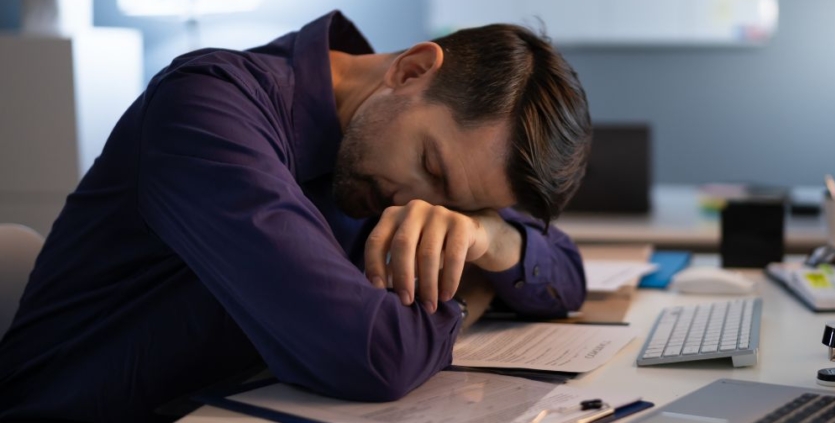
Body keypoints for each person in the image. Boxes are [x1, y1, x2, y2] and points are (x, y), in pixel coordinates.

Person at [0, 11, 591, 422]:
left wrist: (485, 234)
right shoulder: (206, 109)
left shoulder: (420, 155)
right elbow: (370, 354)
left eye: (457, 206)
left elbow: (564, 271)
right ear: (411, 71)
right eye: (431, 169)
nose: (421, 207)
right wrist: (470, 284)